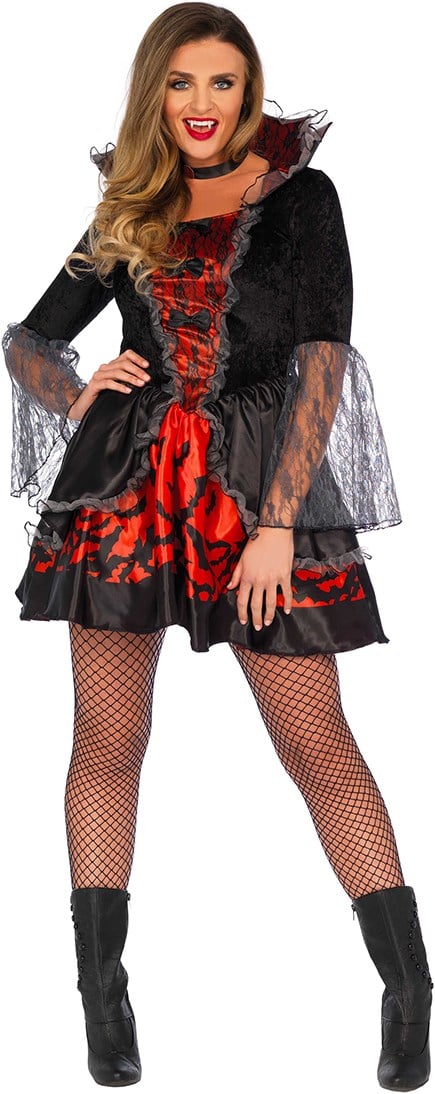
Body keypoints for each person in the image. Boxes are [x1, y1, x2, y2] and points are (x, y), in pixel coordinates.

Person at [2, 2, 432, 1089]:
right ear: (156, 91)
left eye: (223, 82)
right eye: (181, 82)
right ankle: (103, 993)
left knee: (317, 743)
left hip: (256, 489)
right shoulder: (128, 204)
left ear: (248, 90)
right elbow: (29, 338)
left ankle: (408, 989)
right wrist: (74, 386)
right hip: (130, 492)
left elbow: (324, 357)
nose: (201, 104)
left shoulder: (302, 198)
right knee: (107, 740)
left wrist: (278, 523)